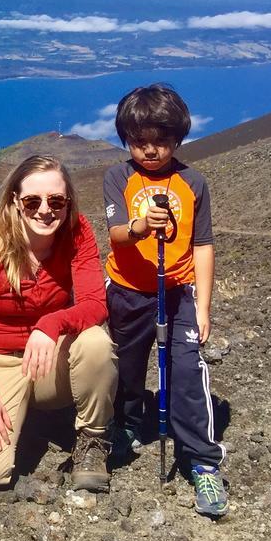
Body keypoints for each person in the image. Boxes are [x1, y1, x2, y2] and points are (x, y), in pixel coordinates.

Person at [0, 155, 117, 493]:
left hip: (51, 356)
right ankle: (19, 414)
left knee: (95, 342)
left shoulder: (77, 232)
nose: (45, 210)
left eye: (57, 200)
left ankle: (92, 440)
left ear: (68, 202)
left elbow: (95, 305)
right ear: (14, 201)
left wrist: (51, 324)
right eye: (32, 201)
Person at [104, 83, 226, 516]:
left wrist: (204, 305)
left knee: (188, 372)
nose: (151, 151)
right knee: (127, 366)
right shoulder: (118, 177)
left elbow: (203, 243)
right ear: (127, 139)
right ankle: (128, 424)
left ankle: (202, 461)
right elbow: (116, 233)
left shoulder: (193, 182)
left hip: (179, 293)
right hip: (128, 291)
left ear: (178, 139)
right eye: (140, 142)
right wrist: (139, 226)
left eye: (162, 141)